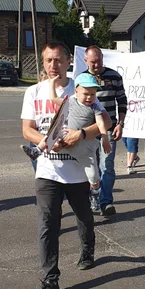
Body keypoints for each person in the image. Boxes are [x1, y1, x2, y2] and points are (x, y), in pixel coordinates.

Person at [21, 42, 102, 289]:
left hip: (77, 171)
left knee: (83, 217)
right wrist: (43, 140)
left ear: (69, 62)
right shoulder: (33, 92)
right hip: (47, 169)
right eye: (48, 61)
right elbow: (27, 130)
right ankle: (49, 281)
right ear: (43, 63)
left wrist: (82, 134)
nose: (53, 66)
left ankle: (87, 247)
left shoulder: (80, 89)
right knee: (47, 224)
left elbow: (105, 123)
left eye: (58, 60)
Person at [44, 74, 112, 213]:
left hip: (85, 147)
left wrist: (105, 138)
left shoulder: (95, 107)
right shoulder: (70, 102)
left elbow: (101, 123)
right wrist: (51, 83)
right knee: (52, 134)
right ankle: (38, 150)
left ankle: (94, 193)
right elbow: (52, 98)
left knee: (94, 175)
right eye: (86, 94)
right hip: (67, 138)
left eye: (93, 94)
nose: (89, 97)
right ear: (76, 91)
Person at [78, 46, 128, 217]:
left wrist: (120, 124)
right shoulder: (82, 79)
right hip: (88, 133)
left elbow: (122, 101)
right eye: (93, 61)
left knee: (107, 167)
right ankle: (93, 199)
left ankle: (106, 202)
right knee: (91, 169)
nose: (97, 64)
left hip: (109, 129)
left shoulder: (114, 76)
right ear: (86, 61)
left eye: (99, 60)